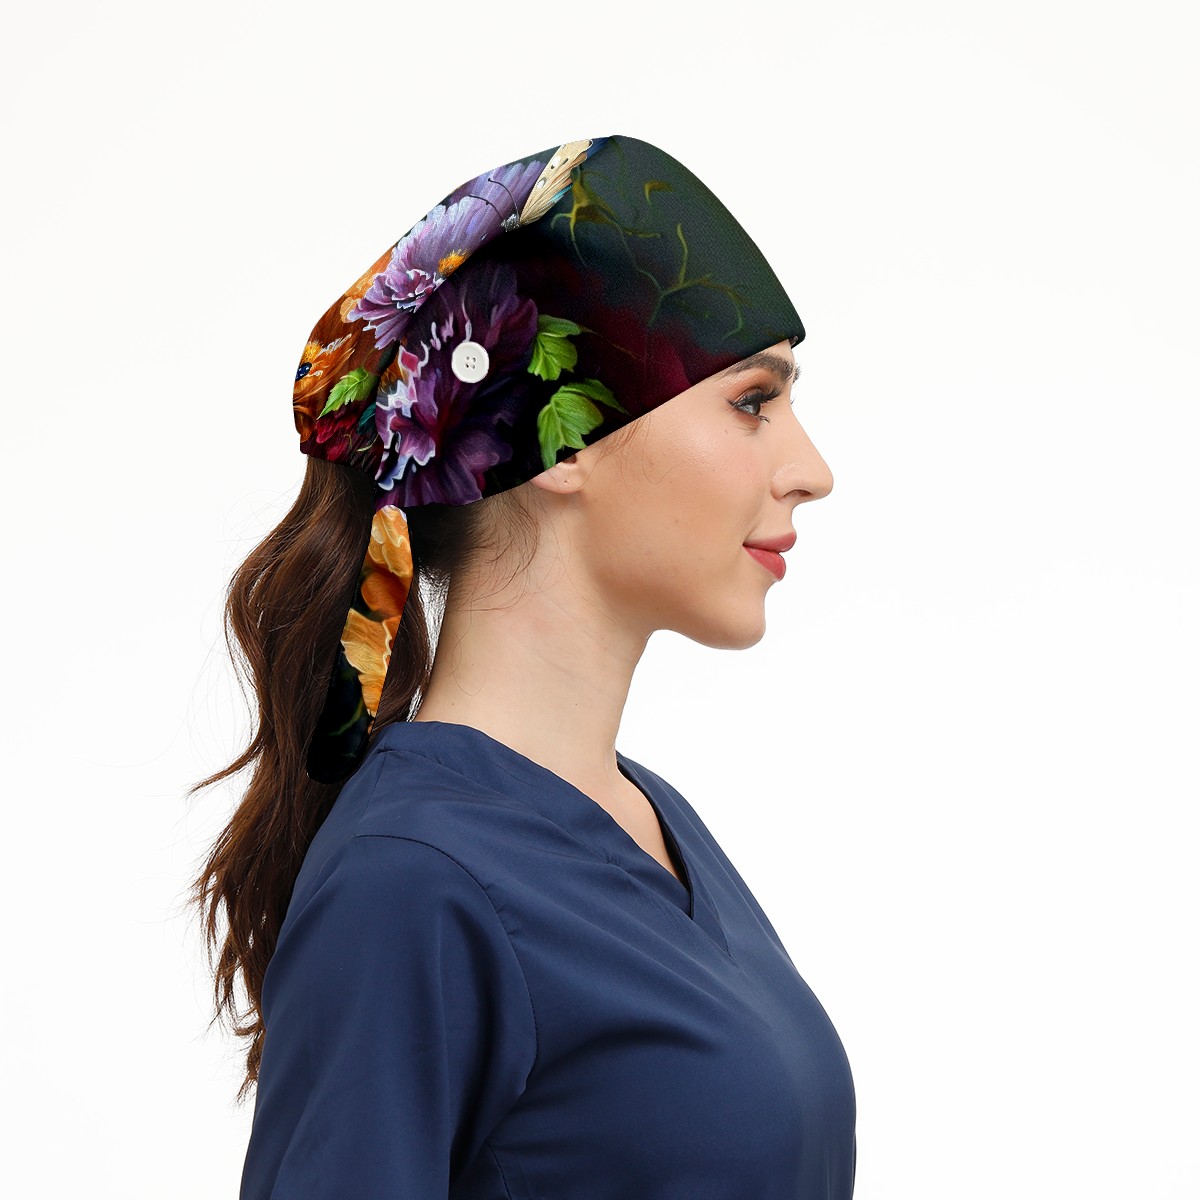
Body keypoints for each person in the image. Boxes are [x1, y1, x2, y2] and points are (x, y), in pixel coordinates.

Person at [190, 134, 857, 1198]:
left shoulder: (649, 820)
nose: (810, 469)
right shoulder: (412, 879)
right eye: (751, 401)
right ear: (562, 436)